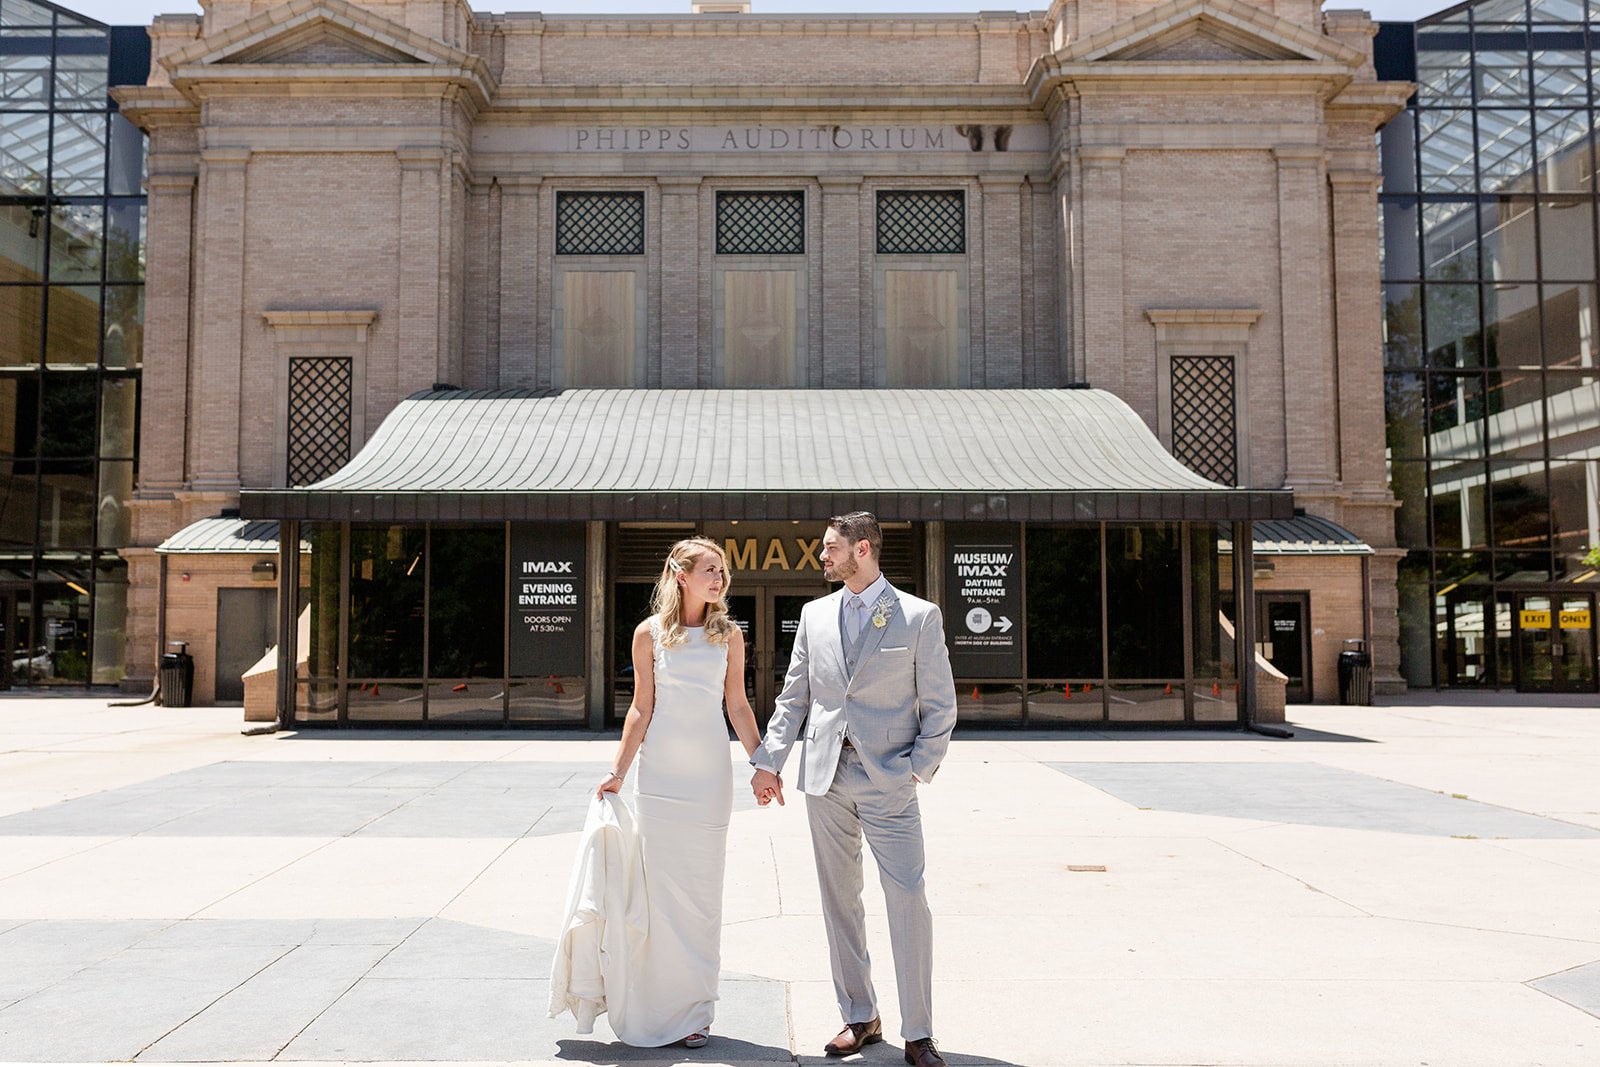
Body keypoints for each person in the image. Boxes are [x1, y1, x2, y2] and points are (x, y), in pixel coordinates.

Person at [748, 511, 957, 1067]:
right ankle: (860, 1016)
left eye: (830, 548)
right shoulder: (814, 615)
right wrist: (768, 762)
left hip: (891, 779)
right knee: (839, 901)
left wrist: (919, 766)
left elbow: (940, 703)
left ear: (862, 549)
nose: (822, 556)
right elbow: (794, 697)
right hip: (825, 778)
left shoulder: (917, 616)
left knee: (907, 897)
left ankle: (919, 1032)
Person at [551, 537, 765, 1049]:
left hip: (710, 780)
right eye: (709, 569)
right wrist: (617, 772)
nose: (719, 578)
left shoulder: (729, 635)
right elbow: (641, 708)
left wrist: (763, 764)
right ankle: (657, 1000)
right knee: (659, 897)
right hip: (660, 780)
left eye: (722, 570)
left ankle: (696, 1010)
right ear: (681, 575)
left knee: (702, 898)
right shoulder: (649, 634)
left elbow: (737, 705)